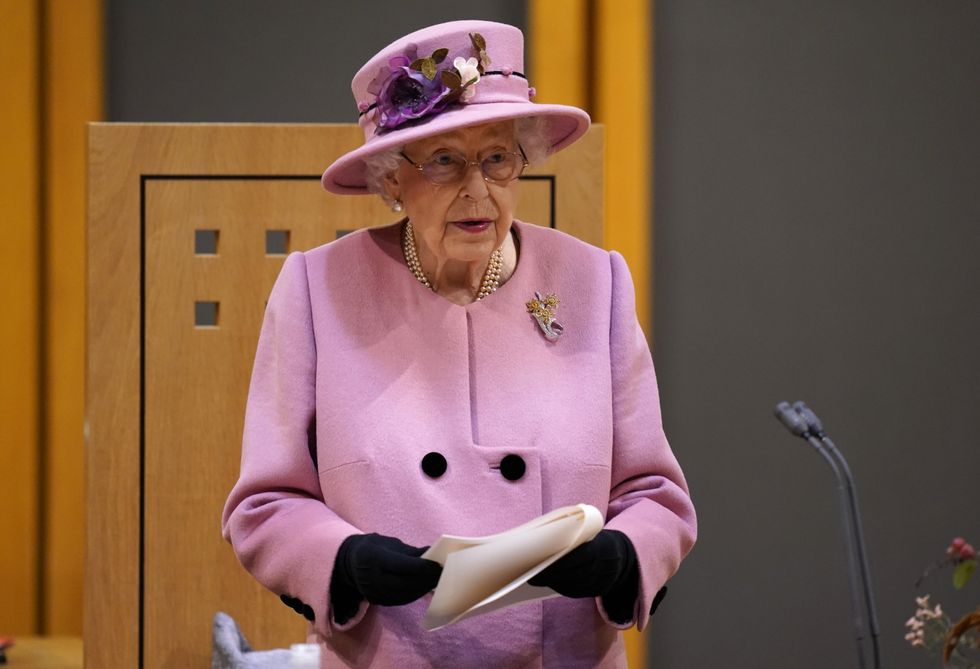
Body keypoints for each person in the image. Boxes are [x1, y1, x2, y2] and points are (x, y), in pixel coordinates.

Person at [221, 19, 696, 668]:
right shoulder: (317, 288)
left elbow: (655, 495)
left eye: (497, 157)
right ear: (392, 179)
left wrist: (625, 554)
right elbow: (265, 503)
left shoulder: (594, 282)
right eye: (444, 161)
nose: (478, 190)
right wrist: (344, 560)